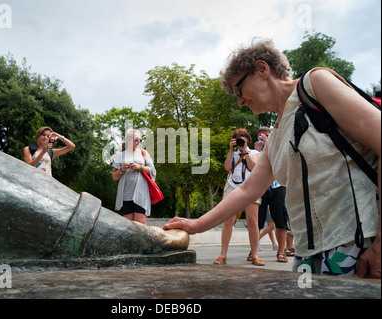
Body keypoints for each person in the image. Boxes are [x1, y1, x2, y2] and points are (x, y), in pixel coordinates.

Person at [163, 39, 381, 279]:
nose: (240, 101)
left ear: (262, 69)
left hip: (357, 240)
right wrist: (196, 226)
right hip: (308, 253)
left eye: (239, 89)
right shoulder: (275, 137)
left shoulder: (315, 84)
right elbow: (246, 190)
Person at [213, 128, 264, 266]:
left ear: (248, 139)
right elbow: (227, 167)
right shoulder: (234, 154)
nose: (241, 139)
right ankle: (223, 254)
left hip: (250, 187)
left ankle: (254, 255)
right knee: (228, 220)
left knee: (252, 220)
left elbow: (254, 168)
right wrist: (231, 150)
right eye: (238, 138)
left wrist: (245, 151)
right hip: (233, 187)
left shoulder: (254, 153)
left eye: (243, 137)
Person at [255, 126, 290, 263]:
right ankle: (254, 252)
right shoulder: (255, 152)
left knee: (281, 220)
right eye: (261, 136)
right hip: (261, 188)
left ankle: (281, 252)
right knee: (257, 221)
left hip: (278, 186)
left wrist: (270, 145)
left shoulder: (280, 147)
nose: (264, 138)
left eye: (267, 135)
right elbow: (254, 169)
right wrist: (257, 152)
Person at [112, 129, 156, 225]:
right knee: (128, 226)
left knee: (141, 226)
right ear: (129, 140)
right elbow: (114, 177)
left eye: (140, 139)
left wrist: (139, 167)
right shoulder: (120, 155)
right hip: (125, 194)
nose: (139, 141)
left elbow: (153, 171)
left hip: (141, 193)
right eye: (136, 139)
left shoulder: (143, 153)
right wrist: (122, 170)